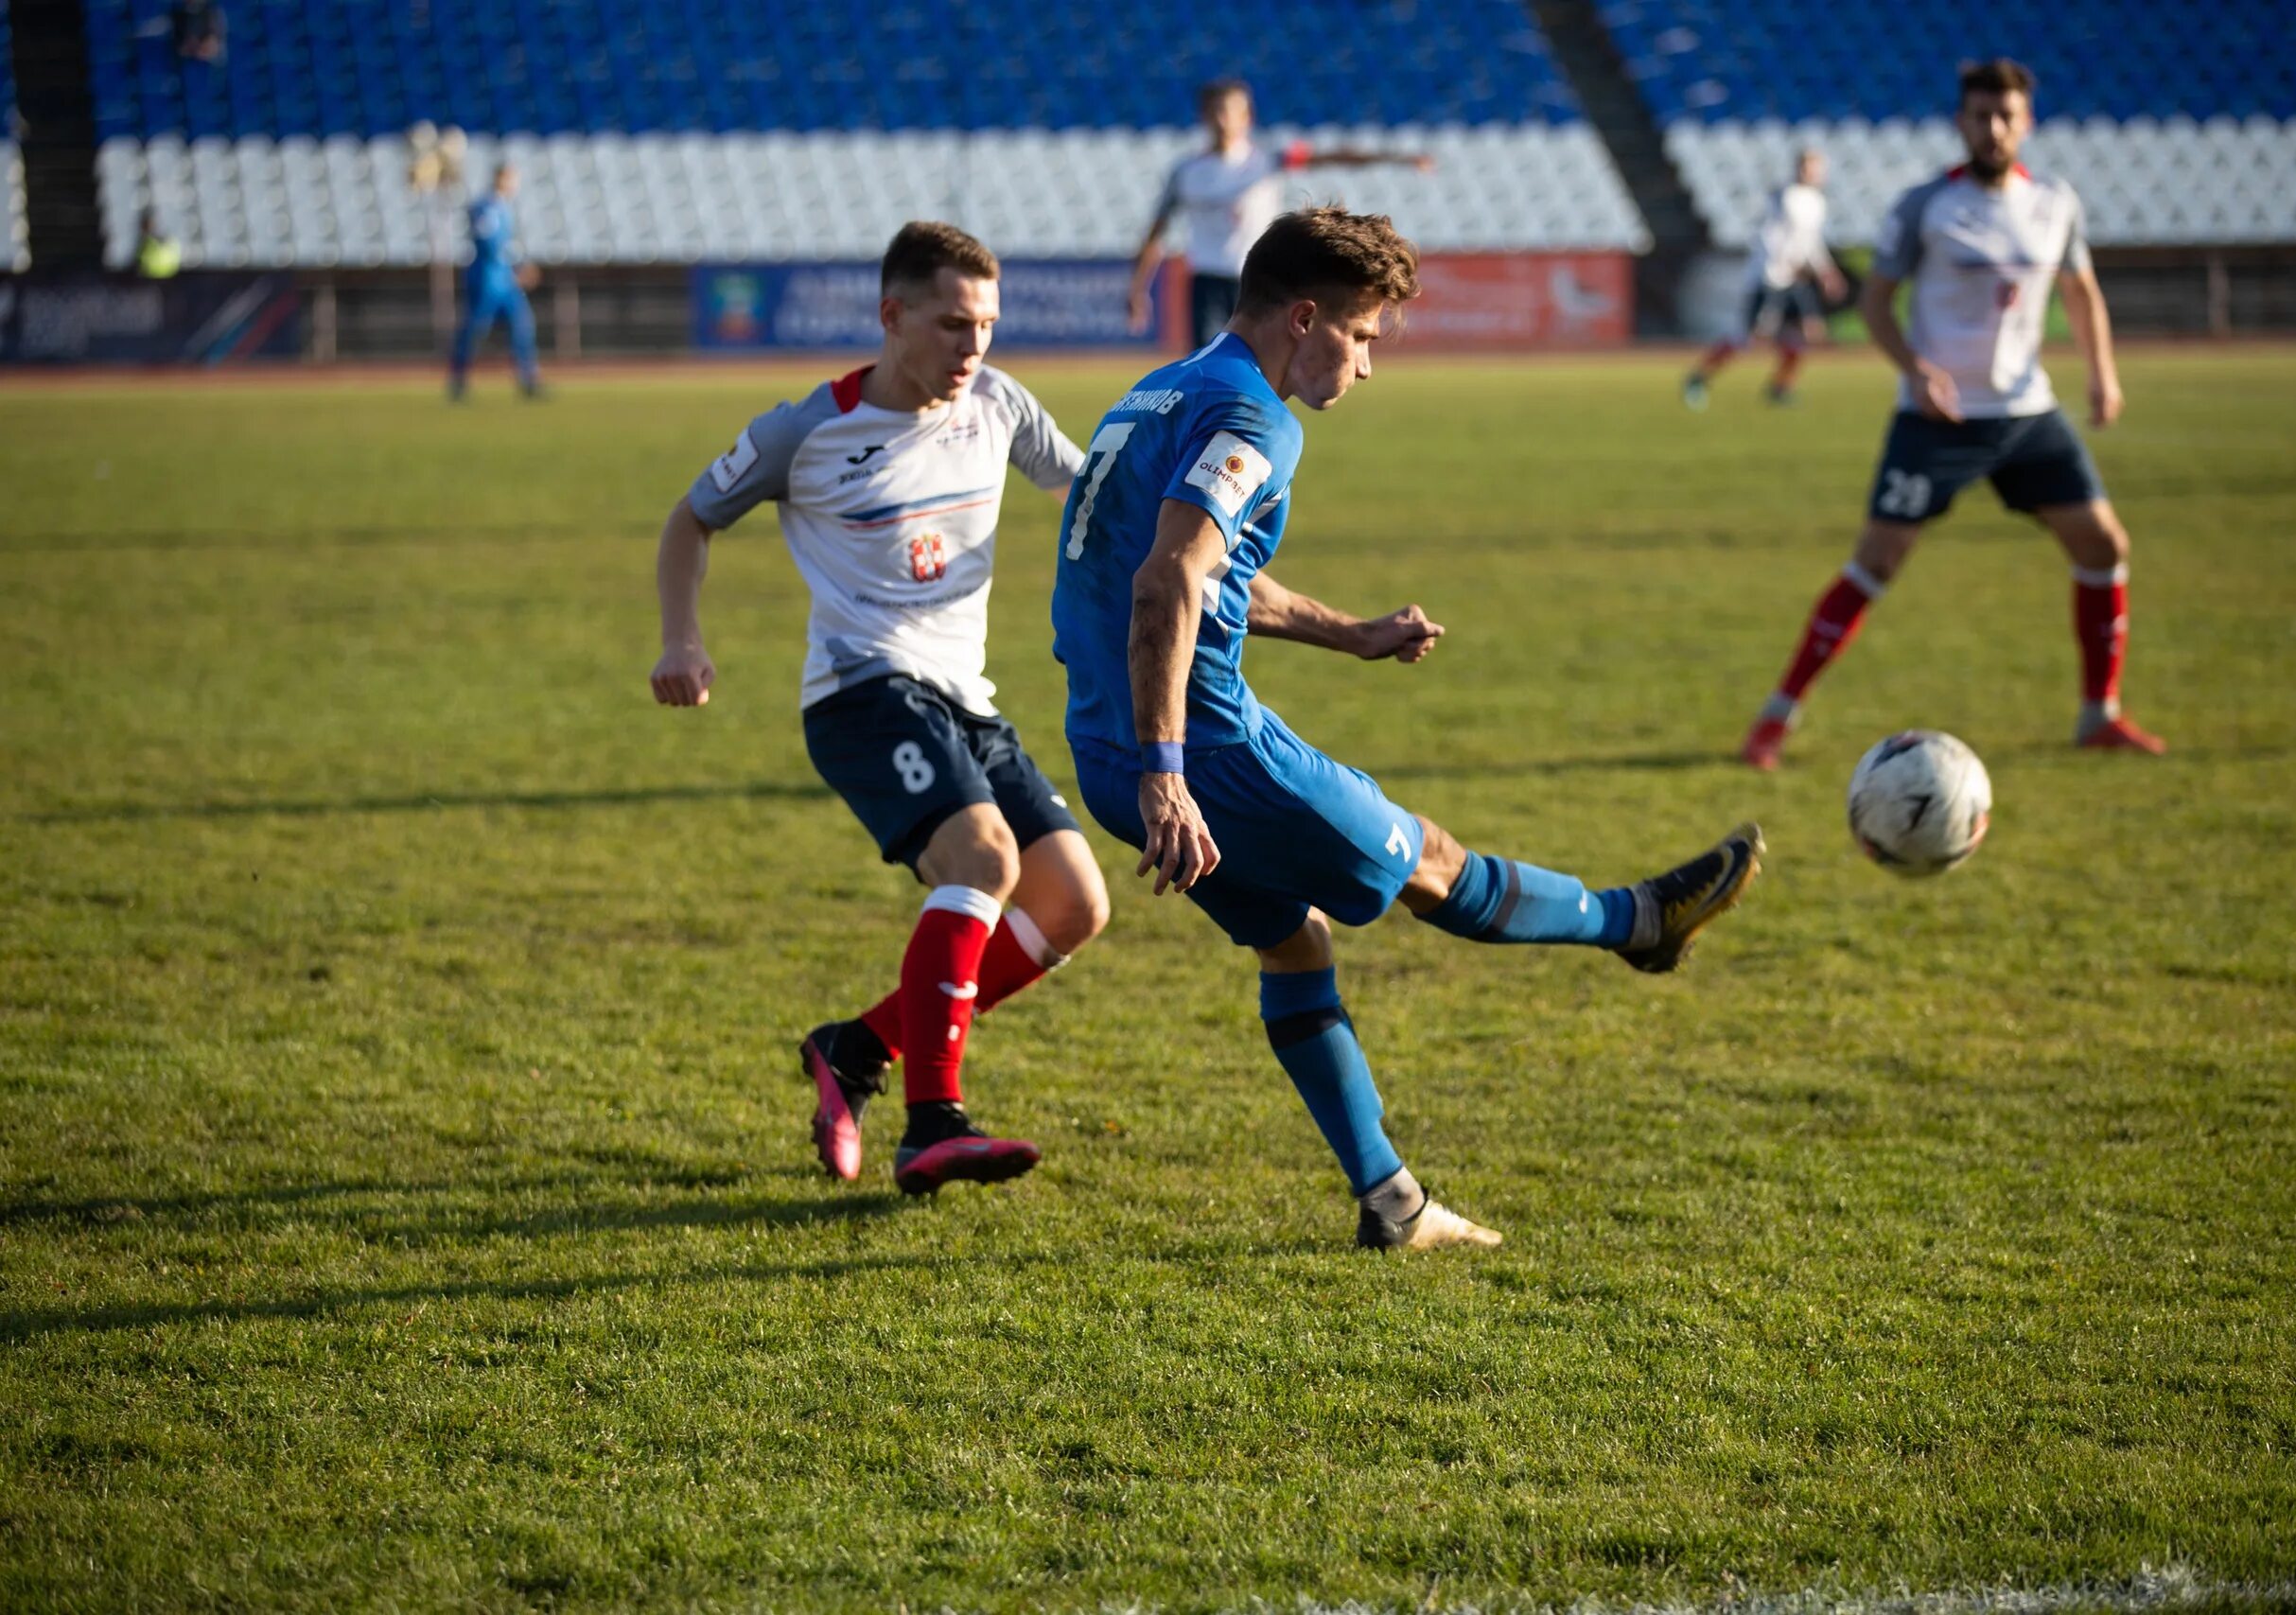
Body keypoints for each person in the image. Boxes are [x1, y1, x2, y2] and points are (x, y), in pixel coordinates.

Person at [1057, 207, 1763, 1253]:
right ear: (1305, 317)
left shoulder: (1164, 388)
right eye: (1367, 336)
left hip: (1104, 748)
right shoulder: (1256, 419)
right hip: (1204, 759)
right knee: (1428, 862)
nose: (1371, 364)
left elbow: (1204, 575)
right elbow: (1169, 580)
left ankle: (1393, 1205)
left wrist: (1348, 634)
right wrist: (1173, 774)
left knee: (1294, 940)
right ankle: (1637, 923)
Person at [652, 222, 1110, 1197]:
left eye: (985, 324)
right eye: (951, 324)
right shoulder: (805, 432)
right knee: (984, 859)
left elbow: (1086, 488)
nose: (972, 347)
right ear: (891, 317)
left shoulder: (998, 404)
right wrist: (682, 639)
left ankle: (855, 1049)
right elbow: (691, 518)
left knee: (1072, 903)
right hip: (860, 692)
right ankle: (932, 1123)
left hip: (965, 701)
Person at [1740, 60, 2165, 770]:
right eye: (1980, 116)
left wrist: (2103, 376)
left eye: (2006, 116)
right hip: (1937, 421)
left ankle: (2101, 715)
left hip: (2028, 414)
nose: (1993, 128)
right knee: (1876, 561)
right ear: (1961, 122)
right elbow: (1876, 303)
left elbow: (2082, 292)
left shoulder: (2056, 202)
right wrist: (1916, 370)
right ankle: (1775, 719)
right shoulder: (1922, 206)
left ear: (2026, 123)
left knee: (2102, 547)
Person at [1127, 79, 1434, 349]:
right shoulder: (1186, 172)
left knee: (1261, 360)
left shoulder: (1267, 161)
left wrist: (1396, 157)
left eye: (1230, 111)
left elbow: (1331, 157)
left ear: (1247, 118)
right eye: (1215, 111)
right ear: (1203, 115)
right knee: (1207, 362)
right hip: (1207, 279)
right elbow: (1157, 231)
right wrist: (1138, 287)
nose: (1222, 119)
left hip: (1258, 278)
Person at [1683, 149, 1845, 409]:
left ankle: (1781, 387)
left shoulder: (1817, 202)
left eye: (1819, 169)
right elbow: (1768, 236)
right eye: (1811, 168)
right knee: (1751, 338)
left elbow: (1811, 242)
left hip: (1794, 279)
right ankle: (1698, 377)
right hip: (1770, 278)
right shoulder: (1784, 197)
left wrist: (1827, 272)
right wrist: (1784, 264)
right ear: (1800, 169)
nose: (1816, 174)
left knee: (1808, 332)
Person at [446, 164, 543, 401]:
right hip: (487, 278)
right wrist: (517, 267)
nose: (515, 185)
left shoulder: (502, 208)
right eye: (512, 179)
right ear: (501, 179)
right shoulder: (485, 207)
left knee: (522, 324)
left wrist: (517, 266)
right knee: (475, 328)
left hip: (505, 279)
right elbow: (490, 244)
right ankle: (458, 379)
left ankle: (529, 380)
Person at [135, 211, 183, 280]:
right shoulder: (170, 240)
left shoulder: (147, 242)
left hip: (151, 276)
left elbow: (140, 262)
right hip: (168, 275)